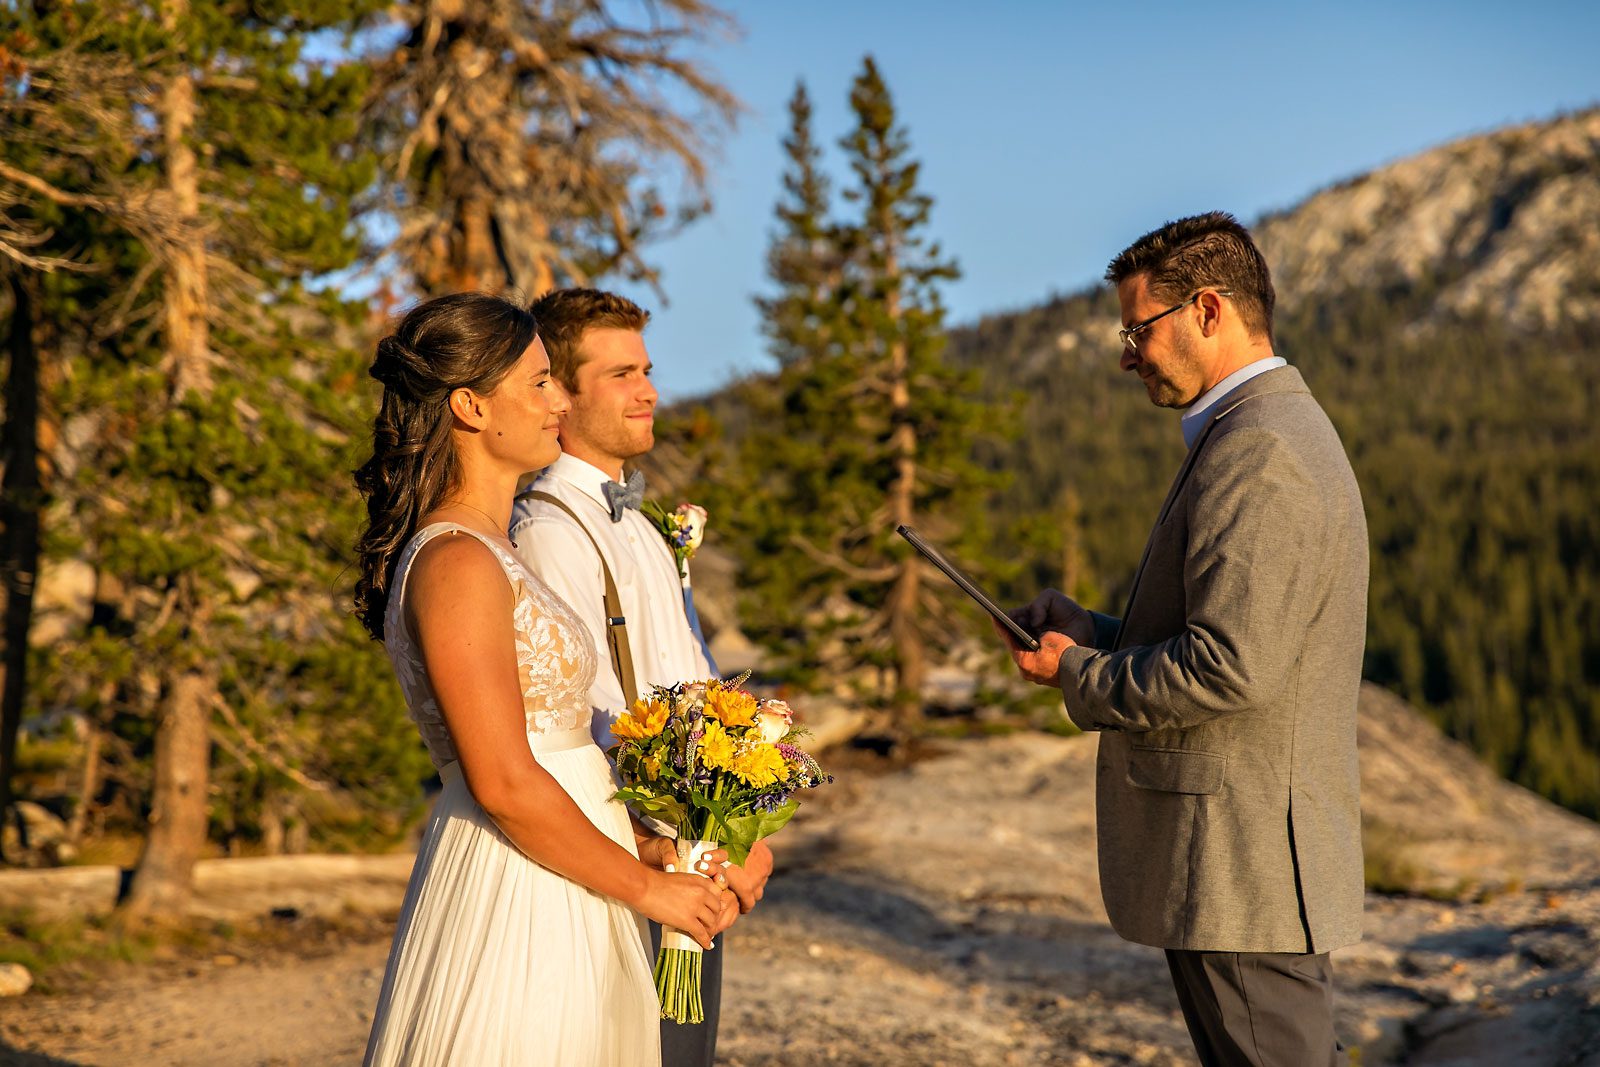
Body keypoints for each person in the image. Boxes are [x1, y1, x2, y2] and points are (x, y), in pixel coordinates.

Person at [1001, 213, 1367, 1067]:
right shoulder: (1255, 434)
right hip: (1240, 870)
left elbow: (1231, 667)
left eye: (1139, 330)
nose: (1128, 354)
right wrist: (1088, 632)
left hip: (1244, 870)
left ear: (1208, 310)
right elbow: (1229, 638)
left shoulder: (1261, 449)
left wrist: (1080, 674)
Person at [352, 292, 726, 1066]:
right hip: (517, 880)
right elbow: (505, 779)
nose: (560, 401)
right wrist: (646, 888)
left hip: (572, 863)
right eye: (538, 383)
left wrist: (644, 851)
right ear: (470, 406)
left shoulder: (493, 547)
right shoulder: (456, 560)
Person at [510, 288, 774, 1067]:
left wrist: (745, 836)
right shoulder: (553, 532)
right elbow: (582, 723)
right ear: (559, 392)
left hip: (695, 857)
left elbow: (699, 683)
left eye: (648, 369)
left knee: (685, 1051)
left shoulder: (648, 530)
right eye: (622, 373)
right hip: (631, 864)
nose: (650, 390)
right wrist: (668, 851)